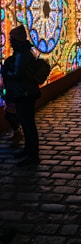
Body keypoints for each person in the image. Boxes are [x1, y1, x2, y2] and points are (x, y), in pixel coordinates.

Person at [2, 25, 41, 166]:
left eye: (12, 39)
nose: (10, 42)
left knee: (28, 124)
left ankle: (32, 154)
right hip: (28, 93)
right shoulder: (27, 52)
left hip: (24, 93)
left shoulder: (21, 55)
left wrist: (6, 73)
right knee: (27, 123)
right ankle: (29, 150)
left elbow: (18, 75)